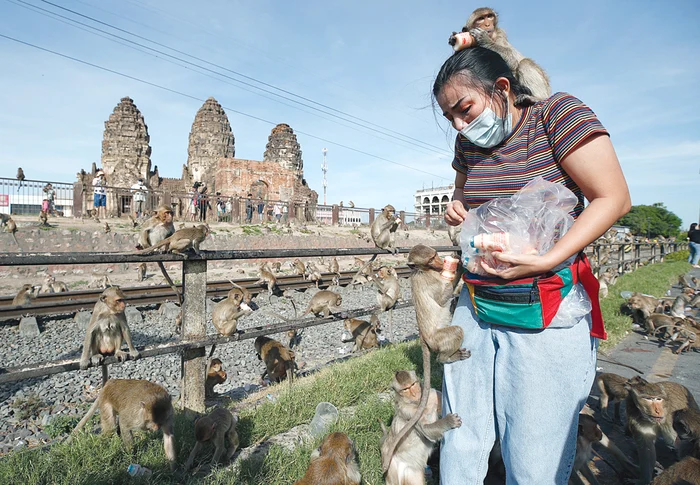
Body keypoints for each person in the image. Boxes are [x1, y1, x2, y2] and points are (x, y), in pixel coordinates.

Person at [433, 47, 631, 484]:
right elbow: (464, 195)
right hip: (477, 304)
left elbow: (612, 198)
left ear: (501, 88)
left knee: (534, 455)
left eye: (465, 110)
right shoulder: (467, 143)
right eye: (451, 119)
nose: (461, 126)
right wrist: (458, 207)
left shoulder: (557, 115)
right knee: (461, 438)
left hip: (546, 306)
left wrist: (545, 259)